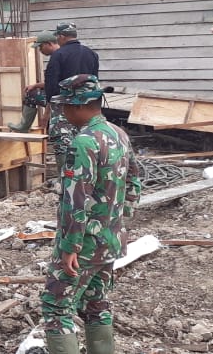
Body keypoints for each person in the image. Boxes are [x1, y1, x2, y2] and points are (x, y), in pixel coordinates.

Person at [39, 75, 141, 354]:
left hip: (83, 244)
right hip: (110, 239)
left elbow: (75, 201)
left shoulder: (83, 143)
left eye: (66, 106)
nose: (64, 112)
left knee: (56, 307)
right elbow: (134, 184)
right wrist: (117, 222)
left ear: (80, 105)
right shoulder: (118, 134)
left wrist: (70, 247)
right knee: (96, 302)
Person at [40, 23, 100, 170]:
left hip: (64, 108)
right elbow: (94, 81)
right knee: (86, 140)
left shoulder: (58, 55)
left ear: (61, 36)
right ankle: (86, 172)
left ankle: (65, 178)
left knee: (62, 144)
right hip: (87, 108)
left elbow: (51, 86)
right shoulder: (91, 54)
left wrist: (48, 112)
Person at [9, 34, 60, 132]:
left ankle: (23, 127)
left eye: (41, 46)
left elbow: (53, 90)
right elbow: (53, 83)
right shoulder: (60, 55)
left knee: (31, 95)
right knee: (32, 91)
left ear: (49, 44)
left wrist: (46, 115)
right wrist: (35, 85)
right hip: (65, 96)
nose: (40, 50)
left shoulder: (57, 58)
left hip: (60, 100)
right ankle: (23, 126)